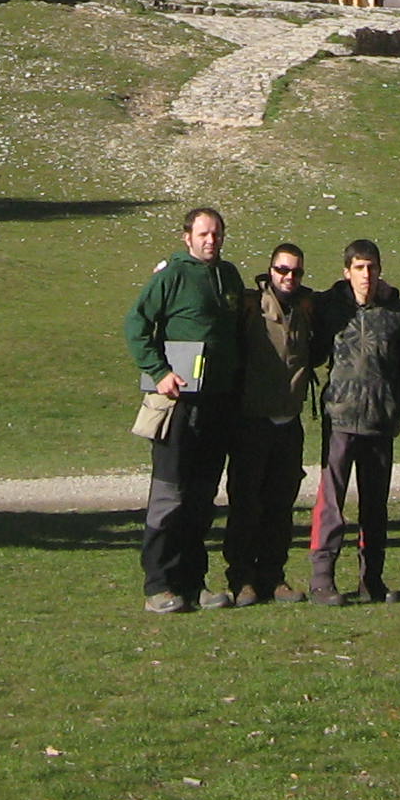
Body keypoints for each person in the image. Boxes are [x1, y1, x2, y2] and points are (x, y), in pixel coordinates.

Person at [122, 206, 246, 616]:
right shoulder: (171, 277)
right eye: (204, 234)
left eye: (217, 233)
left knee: (202, 497)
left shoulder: (229, 276)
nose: (211, 240)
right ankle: (159, 584)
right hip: (179, 406)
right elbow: (136, 324)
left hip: (219, 405)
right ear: (187, 237)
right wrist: (158, 372)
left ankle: (194, 584)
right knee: (169, 497)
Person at [310, 240, 400, 604]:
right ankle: (323, 579)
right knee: (331, 501)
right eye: (359, 268)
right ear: (346, 271)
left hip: (380, 420)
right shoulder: (328, 308)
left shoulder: (397, 312)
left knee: (376, 504)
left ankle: (373, 579)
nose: (366, 275)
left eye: (371, 268)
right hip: (339, 417)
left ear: (380, 270)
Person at [224, 239, 323, 604]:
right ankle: (241, 578)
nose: (289, 277)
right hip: (251, 420)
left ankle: (273, 576)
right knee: (246, 503)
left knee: (281, 505)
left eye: (296, 271)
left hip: (289, 422)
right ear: (270, 271)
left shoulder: (308, 308)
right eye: (282, 270)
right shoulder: (250, 306)